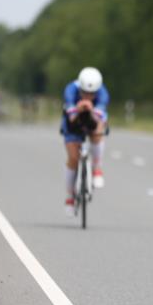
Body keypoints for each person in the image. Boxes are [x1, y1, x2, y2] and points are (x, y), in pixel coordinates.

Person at [60, 67, 109, 217]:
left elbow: (99, 118)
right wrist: (78, 109)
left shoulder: (103, 94)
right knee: (73, 158)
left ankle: (97, 168)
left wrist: (91, 110)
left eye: (92, 94)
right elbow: (71, 118)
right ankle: (70, 197)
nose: (88, 96)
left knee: (98, 132)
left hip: (93, 118)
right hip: (73, 121)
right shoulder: (70, 91)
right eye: (84, 92)